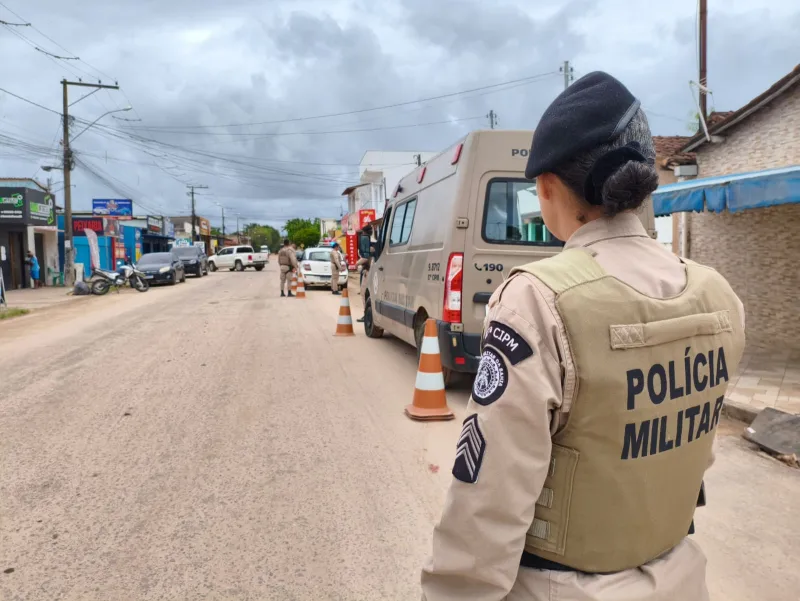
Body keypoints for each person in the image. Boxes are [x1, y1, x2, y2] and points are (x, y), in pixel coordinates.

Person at [421, 72, 746, 601]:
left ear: (547, 187)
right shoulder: (717, 293)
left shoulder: (536, 300)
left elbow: (489, 497)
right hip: (684, 578)